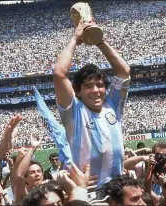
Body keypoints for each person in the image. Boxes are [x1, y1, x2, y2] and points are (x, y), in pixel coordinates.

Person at [53, 20, 131, 188]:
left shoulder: (113, 105)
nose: (96, 90)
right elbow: (59, 73)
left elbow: (124, 71)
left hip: (118, 189)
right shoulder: (74, 111)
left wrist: (99, 40)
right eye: (88, 86)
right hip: (90, 192)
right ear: (78, 92)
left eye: (100, 85)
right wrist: (75, 38)